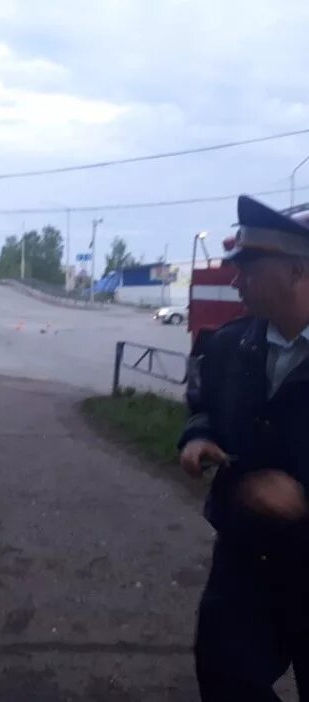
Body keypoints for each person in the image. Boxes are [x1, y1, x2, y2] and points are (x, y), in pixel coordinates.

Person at [179, 194, 309, 701]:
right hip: (244, 559)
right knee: (225, 675)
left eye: (248, 270)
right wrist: (198, 435)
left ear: (296, 272)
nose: (235, 282)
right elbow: (202, 402)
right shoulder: (229, 345)